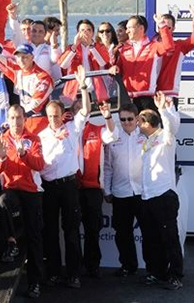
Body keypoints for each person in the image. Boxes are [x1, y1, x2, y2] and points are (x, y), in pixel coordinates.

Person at [38, 65, 90, 289]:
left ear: (62, 114)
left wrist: (83, 86)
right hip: (49, 187)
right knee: (50, 232)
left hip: (69, 186)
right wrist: (55, 140)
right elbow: (42, 163)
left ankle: (74, 274)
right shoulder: (41, 136)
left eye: (56, 116)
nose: (54, 119)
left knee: (71, 231)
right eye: (50, 116)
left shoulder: (73, 127)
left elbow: (85, 110)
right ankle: (53, 273)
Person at [0, 105, 45, 298]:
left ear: (24, 119)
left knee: (34, 237)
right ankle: (11, 242)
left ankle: (35, 283)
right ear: (7, 120)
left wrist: (24, 155)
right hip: (11, 190)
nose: (16, 122)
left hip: (31, 192)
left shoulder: (34, 139)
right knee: (3, 200)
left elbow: (40, 165)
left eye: (19, 117)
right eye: (12, 118)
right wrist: (1, 158)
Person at [138, 92, 183, 290]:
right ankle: (157, 273)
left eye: (139, 121)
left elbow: (172, 126)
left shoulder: (166, 137)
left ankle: (176, 276)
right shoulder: (145, 141)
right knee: (153, 239)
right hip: (147, 196)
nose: (136, 124)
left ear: (148, 123)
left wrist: (163, 109)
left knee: (170, 239)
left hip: (164, 195)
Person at [103, 102, 147, 277]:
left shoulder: (146, 136)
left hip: (143, 192)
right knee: (122, 233)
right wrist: (107, 190)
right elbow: (107, 167)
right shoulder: (113, 137)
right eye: (123, 119)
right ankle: (128, 266)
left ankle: (153, 269)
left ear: (137, 119)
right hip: (120, 193)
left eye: (130, 119)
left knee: (149, 232)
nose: (126, 122)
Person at [75, 100, 117, 278]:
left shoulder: (97, 129)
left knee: (92, 229)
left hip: (93, 189)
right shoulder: (67, 130)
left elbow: (112, 135)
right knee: (72, 230)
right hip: (73, 188)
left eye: (83, 109)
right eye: (77, 109)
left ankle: (92, 265)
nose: (81, 112)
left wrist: (108, 116)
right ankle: (75, 266)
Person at [0, 29, 53, 116]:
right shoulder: (17, 71)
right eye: (18, 57)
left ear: (32, 57)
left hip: (38, 117)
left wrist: (19, 117)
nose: (21, 60)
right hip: (23, 117)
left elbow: (36, 105)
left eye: (25, 57)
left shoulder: (43, 77)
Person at [109, 14, 174, 112]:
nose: (127, 31)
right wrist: (114, 67)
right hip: (127, 99)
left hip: (146, 99)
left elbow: (169, 46)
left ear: (141, 28)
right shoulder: (123, 49)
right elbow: (118, 70)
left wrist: (162, 25)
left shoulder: (153, 46)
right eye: (126, 28)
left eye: (130, 28)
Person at [58, 19, 110, 102]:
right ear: (78, 33)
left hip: (94, 90)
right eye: (82, 30)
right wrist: (74, 47)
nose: (85, 33)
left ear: (92, 33)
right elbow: (63, 65)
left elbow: (102, 62)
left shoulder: (100, 47)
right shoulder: (71, 48)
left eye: (88, 30)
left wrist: (92, 47)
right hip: (75, 91)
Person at [7, 4, 61, 81]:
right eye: (34, 31)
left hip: (44, 85)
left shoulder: (49, 48)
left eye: (40, 31)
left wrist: (54, 46)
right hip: (25, 85)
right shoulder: (23, 45)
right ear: (30, 32)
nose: (37, 34)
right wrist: (12, 16)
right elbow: (16, 31)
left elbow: (54, 59)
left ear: (45, 33)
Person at [156, 6, 194, 106]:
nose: (164, 29)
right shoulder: (151, 46)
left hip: (169, 93)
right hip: (150, 93)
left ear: (173, 28)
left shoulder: (179, 46)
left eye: (168, 27)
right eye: (161, 26)